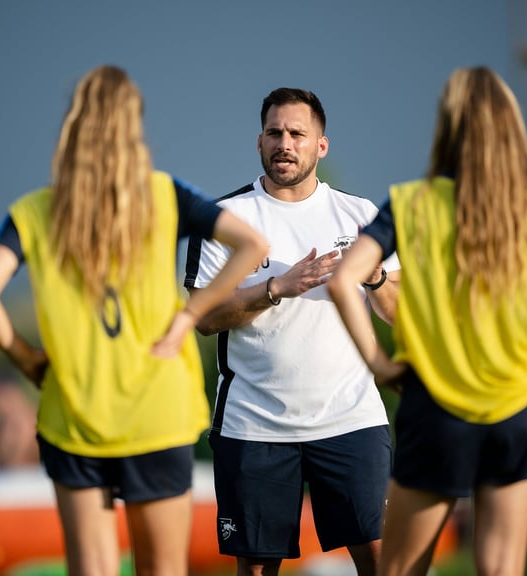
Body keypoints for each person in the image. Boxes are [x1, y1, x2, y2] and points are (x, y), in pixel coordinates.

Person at [328, 66, 527, 576]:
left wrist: (381, 365)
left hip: (436, 411)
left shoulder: (412, 205)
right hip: (516, 412)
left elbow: (344, 280)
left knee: (400, 570)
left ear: (447, 127)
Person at [0, 65, 267, 576]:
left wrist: (27, 359)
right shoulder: (164, 194)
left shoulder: (35, 210)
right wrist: (188, 315)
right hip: (157, 412)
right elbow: (253, 244)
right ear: (134, 129)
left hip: (74, 414)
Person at [184, 87, 400, 576]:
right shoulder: (224, 219)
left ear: (320, 145)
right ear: (259, 141)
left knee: (384, 560)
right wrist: (275, 288)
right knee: (258, 569)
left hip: (351, 419)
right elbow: (203, 317)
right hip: (254, 424)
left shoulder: (363, 215)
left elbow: (401, 314)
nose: (285, 143)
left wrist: (375, 277)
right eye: (275, 132)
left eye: (297, 134)